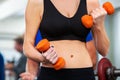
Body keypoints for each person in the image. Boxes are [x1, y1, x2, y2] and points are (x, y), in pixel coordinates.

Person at [20, 0, 110, 80]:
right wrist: (43, 59)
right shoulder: (37, 2)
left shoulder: (91, 2)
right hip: (51, 73)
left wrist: (100, 25)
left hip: (84, 73)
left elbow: (104, 51)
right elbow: (27, 46)